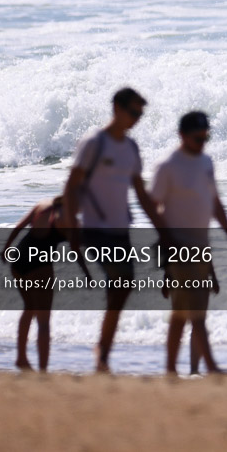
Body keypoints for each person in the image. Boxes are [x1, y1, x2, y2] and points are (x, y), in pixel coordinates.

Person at [61, 87, 164, 372]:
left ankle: (102, 349)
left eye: (140, 114)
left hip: (120, 229)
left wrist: (164, 229)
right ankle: (102, 353)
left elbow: (141, 194)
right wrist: (71, 230)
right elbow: (71, 187)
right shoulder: (94, 142)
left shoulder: (130, 148)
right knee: (121, 280)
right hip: (95, 228)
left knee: (121, 288)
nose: (136, 118)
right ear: (116, 108)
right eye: (132, 112)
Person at [150, 110, 227, 375]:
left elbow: (215, 203)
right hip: (178, 249)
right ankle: (210, 368)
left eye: (206, 138)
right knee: (196, 311)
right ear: (182, 135)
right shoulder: (168, 166)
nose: (202, 143)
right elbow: (154, 207)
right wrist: (166, 250)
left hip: (201, 249)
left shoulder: (205, 162)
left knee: (185, 313)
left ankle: (179, 371)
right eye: (197, 138)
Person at [2, 197, 90, 372]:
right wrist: (87, 274)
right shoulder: (69, 220)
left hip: (18, 261)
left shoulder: (42, 206)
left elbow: (18, 227)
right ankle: (43, 370)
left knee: (29, 308)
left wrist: (6, 249)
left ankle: (21, 358)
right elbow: (75, 249)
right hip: (39, 265)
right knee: (43, 320)